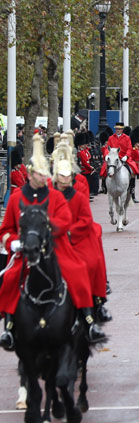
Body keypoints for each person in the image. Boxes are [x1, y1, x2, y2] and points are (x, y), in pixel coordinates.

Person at [0, 134, 106, 349]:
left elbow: (65, 220)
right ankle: (9, 326)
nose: (42, 178)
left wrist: (47, 231)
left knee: (76, 273)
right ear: (30, 175)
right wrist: (12, 242)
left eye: (44, 174)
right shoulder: (16, 198)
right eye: (38, 174)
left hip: (54, 247)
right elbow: (6, 229)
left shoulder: (55, 196)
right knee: (11, 277)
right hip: (27, 250)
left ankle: (88, 318)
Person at [52, 143, 111, 322]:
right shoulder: (48, 186)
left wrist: (69, 233)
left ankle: (97, 300)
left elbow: (84, 216)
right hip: (52, 235)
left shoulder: (81, 183)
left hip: (74, 231)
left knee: (92, 261)